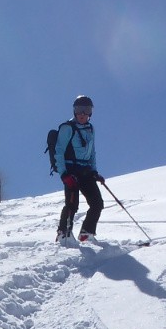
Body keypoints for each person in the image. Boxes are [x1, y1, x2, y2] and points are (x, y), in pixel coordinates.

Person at [54, 94, 104, 242]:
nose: (82, 113)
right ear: (74, 111)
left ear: (91, 112)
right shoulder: (67, 128)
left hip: (86, 171)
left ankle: (86, 234)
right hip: (71, 171)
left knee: (97, 203)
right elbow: (59, 151)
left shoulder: (90, 129)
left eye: (86, 110)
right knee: (72, 205)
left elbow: (92, 152)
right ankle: (63, 234)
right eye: (79, 109)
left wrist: (94, 171)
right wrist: (64, 174)